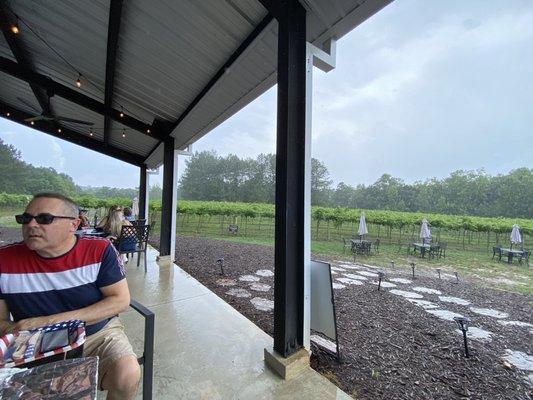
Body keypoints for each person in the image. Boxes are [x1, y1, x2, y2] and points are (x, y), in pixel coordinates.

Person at [0, 193, 140, 399]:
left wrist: (47, 322)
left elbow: (119, 300)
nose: (31, 225)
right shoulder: (4, 260)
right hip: (31, 342)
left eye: (44, 219)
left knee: (127, 373)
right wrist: (18, 329)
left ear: (74, 225)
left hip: (95, 333)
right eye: (25, 218)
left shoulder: (98, 250)